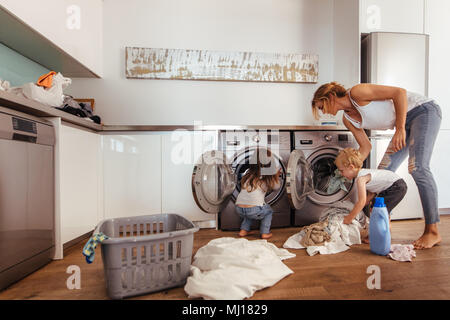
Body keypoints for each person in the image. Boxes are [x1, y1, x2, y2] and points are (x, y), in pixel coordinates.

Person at [311, 82, 442, 249]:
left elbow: (399, 93)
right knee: (381, 175)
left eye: (321, 107)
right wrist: (348, 167)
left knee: (418, 168)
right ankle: (382, 226)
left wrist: (400, 129)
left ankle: (432, 231)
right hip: (405, 123)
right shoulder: (348, 119)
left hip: (423, 111)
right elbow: (365, 148)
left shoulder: (357, 93)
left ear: (330, 97)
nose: (323, 112)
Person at [335, 148, 407, 243]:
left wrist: (349, 218)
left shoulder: (360, 179)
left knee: (380, 212)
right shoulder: (363, 173)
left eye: (342, 170)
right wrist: (359, 207)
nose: (341, 174)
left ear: (351, 167)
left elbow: (361, 202)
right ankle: (380, 234)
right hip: (394, 185)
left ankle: (382, 236)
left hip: (395, 187)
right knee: (376, 209)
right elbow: (371, 195)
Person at [235, 148, 282, 240]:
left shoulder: (248, 174)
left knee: (249, 210)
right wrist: (276, 175)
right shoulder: (267, 177)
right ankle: (265, 233)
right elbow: (276, 187)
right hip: (254, 210)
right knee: (268, 212)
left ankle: (243, 231)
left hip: (239, 208)